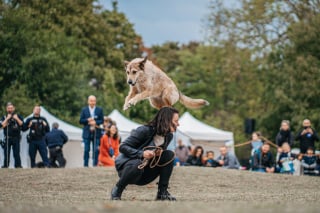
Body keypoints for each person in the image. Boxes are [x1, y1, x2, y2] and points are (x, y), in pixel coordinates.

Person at [111, 107, 179, 201]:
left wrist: (157, 154)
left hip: (145, 173)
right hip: (128, 169)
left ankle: (162, 193)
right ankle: (118, 189)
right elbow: (122, 147)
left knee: (169, 155)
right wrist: (142, 153)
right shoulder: (144, 130)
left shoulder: (168, 136)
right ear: (166, 120)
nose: (178, 124)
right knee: (138, 164)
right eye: (176, 121)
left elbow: (158, 158)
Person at [79, 95, 104, 167]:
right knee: (86, 150)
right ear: (88, 101)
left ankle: (95, 164)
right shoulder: (84, 110)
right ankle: (85, 165)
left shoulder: (99, 110)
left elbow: (102, 120)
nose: (93, 102)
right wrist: (87, 120)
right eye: (91, 101)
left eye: (94, 101)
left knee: (96, 150)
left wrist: (95, 122)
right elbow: (80, 121)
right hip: (87, 133)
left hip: (96, 133)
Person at [0, 102, 24, 168]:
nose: (10, 109)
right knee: (6, 153)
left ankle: (18, 165)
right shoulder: (4, 117)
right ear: (6, 109)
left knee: (16, 153)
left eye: (11, 108)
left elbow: (22, 124)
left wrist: (16, 118)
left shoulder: (18, 116)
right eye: (8, 108)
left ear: (14, 108)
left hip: (16, 137)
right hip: (7, 137)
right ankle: (5, 165)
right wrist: (7, 119)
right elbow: (1, 125)